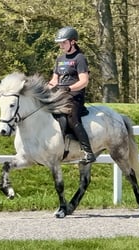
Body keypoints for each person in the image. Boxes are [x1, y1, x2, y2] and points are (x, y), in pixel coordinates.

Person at [48, 26, 96, 164]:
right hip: (60, 95)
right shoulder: (60, 59)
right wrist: (44, 89)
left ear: (73, 42)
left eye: (63, 42)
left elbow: (84, 81)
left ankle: (88, 152)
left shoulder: (80, 58)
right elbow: (54, 80)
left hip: (75, 96)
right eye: (60, 43)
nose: (61, 45)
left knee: (72, 118)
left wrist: (68, 89)